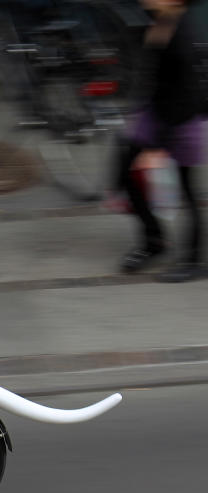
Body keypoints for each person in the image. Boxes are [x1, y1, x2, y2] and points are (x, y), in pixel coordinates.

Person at [115, 0, 206, 282]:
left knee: (185, 192)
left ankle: (192, 260)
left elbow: (185, 93)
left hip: (182, 119)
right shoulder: (161, 19)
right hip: (155, 112)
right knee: (125, 176)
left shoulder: (185, 34)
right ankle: (153, 241)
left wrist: (156, 147)